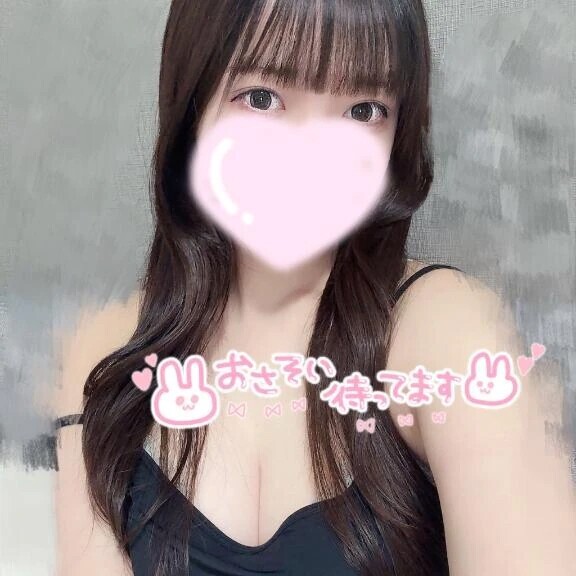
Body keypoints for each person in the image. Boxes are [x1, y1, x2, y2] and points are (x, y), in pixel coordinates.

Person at [51, 0, 576, 575]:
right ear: (192, 105)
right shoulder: (107, 349)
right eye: (261, 98)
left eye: (363, 110)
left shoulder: (445, 329)